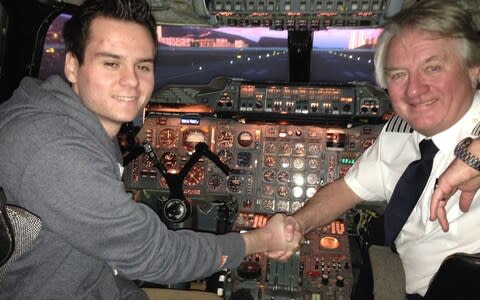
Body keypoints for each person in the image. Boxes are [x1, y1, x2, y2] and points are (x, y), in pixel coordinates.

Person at [0, 0, 302, 299]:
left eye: (142, 66)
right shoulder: (54, 148)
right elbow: (158, 256)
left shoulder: (68, 123)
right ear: (72, 66)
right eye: (111, 63)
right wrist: (260, 239)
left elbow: (94, 259)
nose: (131, 81)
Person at [277, 0, 480, 298]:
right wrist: (296, 223)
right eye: (398, 74)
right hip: (401, 272)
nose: (414, 89)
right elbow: (346, 190)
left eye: (433, 67)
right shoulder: (399, 131)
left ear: (474, 71)